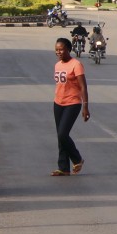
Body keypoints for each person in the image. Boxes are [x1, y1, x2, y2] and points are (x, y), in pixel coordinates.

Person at [51, 36, 89, 176]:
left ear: (68, 49)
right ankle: (63, 168)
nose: (59, 52)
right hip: (58, 103)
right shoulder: (57, 65)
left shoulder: (76, 64)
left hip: (72, 103)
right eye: (57, 50)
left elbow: (83, 87)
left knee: (63, 133)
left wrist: (85, 106)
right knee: (60, 136)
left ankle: (77, 158)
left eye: (61, 49)